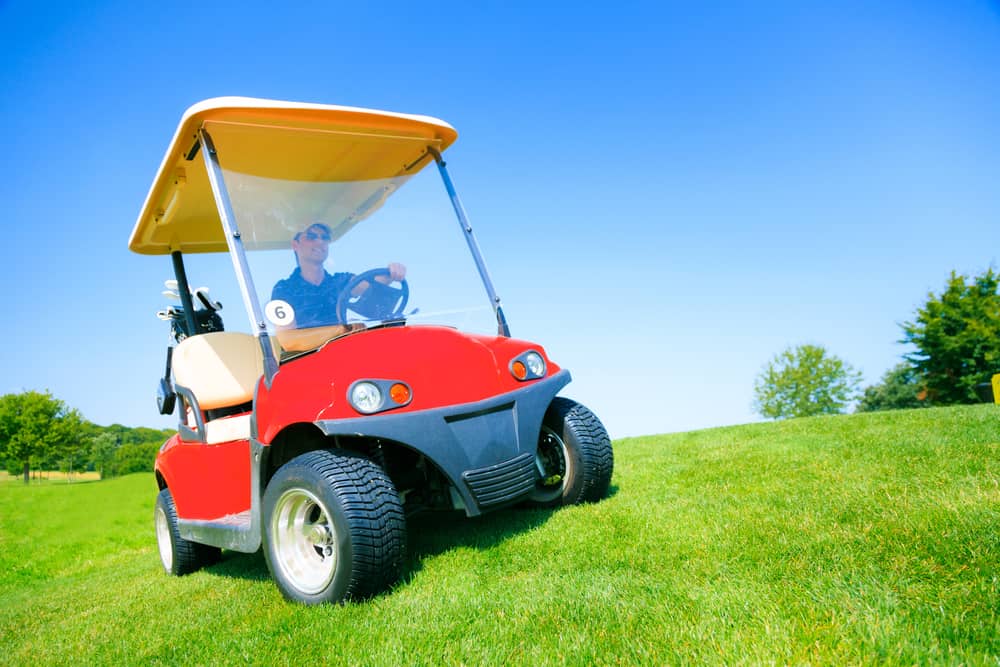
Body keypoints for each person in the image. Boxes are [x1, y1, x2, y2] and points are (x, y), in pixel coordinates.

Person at [270, 223, 405, 350]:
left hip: (341, 353)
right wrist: (341, 330)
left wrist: (391, 273)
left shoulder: (340, 281)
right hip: (304, 362)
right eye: (311, 237)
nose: (320, 242)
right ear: (295, 245)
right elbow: (288, 340)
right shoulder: (284, 289)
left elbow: (373, 284)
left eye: (324, 238)